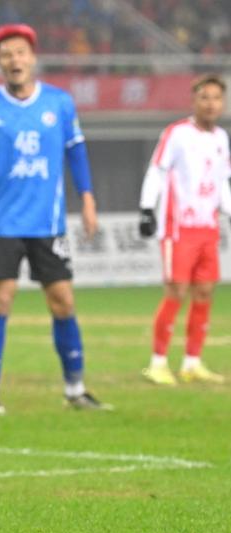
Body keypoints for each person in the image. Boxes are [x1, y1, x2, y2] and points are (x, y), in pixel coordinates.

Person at [0, 23, 109, 416]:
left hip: (49, 223)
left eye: (20, 52)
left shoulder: (59, 103)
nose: (15, 60)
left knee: (63, 302)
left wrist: (88, 200)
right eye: (7, 54)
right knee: (1, 300)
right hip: (2, 223)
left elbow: (76, 153)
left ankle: (75, 389)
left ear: (33, 57)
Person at [139, 74, 230, 386]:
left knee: (205, 292)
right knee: (176, 291)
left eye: (216, 98)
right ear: (193, 101)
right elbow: (157, 170)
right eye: (205, 97)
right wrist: (146, 208)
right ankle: (158, 363)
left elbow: (222, 182)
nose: (211, 104)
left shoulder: (221, 138)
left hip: (208, 227)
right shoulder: (177, 134)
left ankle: (192, 362)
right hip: (178, 228)